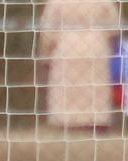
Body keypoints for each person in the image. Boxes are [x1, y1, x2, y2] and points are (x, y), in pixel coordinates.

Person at [39, 0, 121, 131]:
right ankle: (96, 120)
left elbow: (48, 28)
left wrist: (45, 53)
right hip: (95, 44)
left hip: (66, 44)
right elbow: (113, 25)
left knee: (67, 87)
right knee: (95, 86)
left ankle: (67, 121)